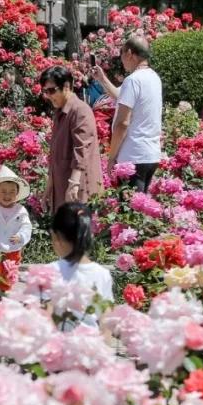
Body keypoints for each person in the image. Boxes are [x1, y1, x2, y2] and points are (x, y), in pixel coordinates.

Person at [98, 35, 163, 193]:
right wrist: (101, 79)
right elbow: (121, 96)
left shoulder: (132, 80)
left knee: (130, 213)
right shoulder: (154, 77)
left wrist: (112, 156)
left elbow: (122, 123)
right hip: (151, 154)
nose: (121, 59)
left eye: (121, 54)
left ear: (129, 53)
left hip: (133, 156)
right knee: (141, 210)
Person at [41, 65, 103, 212]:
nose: (48, 96)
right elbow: (55, 157)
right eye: (45, 91)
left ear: (67, 86)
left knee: (79, 232)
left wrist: (74, 182)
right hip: (63, 186)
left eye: (52, 90)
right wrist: (49, 189)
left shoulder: (79, 110)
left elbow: (82, 149)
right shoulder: (60, 113)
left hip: (79, 186)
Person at [47, 203, 113, 325]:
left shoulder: (47, 272)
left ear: (55, 236)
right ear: (90, 236)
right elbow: (106, 319)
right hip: (91, 342)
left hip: (56, 342)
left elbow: (41, 317)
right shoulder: (102, 274)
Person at [0, 166, 33, 295]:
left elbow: (26, 226)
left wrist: (21, 236)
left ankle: (4, 297)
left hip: (13, 250)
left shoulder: (20, 210)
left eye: (12, 192)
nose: (7, 195)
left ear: (17, 194)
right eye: (3, 191)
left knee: (8, 276)